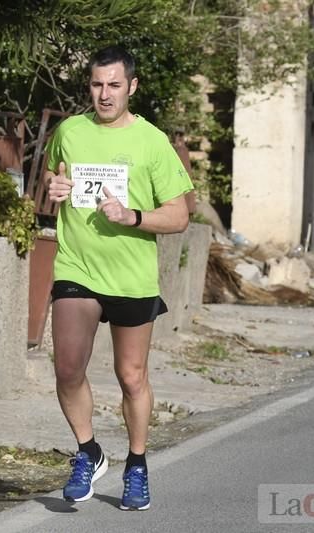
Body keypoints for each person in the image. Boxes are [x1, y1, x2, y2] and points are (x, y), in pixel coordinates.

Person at [44, 45, 194, 511]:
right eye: (96, 84)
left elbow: (179, 216)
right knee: (67, 367)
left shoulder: (152, 142)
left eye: (113, 85)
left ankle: (136, 465)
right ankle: (88, 452)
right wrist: (55, 190)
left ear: (132, 87)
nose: (104, 94)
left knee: (131, 377)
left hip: (131, 275)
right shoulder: (70, 130)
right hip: (77, 267)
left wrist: (132, 217)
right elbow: (54, 181)